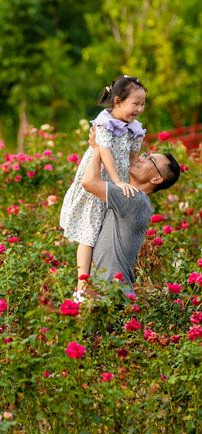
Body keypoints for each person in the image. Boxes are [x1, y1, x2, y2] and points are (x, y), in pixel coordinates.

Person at [60, 75, 147, 299]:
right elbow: (105, 151)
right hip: (99, 178)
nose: (139, 108)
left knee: (102, 232)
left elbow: (132, 156)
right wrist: (117, 181)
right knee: (88, 233)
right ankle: (81, 285)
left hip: (114, 183)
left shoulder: (134, 127)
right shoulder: (104, 122)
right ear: (118, 101)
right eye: (135, 103)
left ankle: (96, 283)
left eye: (142, 104)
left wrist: (126, 179)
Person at [82, 128, 180, 294]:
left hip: (111, 295)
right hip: (109, 293)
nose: (141, 158)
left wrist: (98, 147)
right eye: (145, 154)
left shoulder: (134, 199)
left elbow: (89, 182)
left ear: (156, 179)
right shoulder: (133, 197)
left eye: (150, 160)